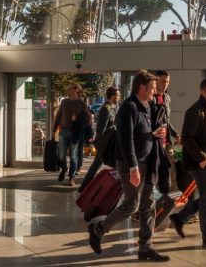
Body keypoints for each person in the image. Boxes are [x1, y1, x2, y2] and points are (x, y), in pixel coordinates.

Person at [87, 70, 170, 262]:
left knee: (148, 206)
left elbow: (143, 133)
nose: (154, 90)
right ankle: (98, 229)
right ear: (141, 87)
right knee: (131, 205)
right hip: (131, 164)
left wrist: (153, 134)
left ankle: (145, 248)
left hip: (148, 162)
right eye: (152, 87)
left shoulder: (147, 106)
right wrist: (133, 167)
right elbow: (126, 140)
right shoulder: (129, 107)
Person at [169, 78, 206, 251]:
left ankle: (180, 218)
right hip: (202, 161)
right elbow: (187, 138)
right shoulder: (195, 111)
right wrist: (202, 158)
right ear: (202, 91)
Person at [151, 70, 189, 192]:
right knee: (154, 173)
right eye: (163, 81)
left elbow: (166, 121)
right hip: (153, 143)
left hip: (166, 142)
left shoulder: (166, 98)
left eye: (167, 81)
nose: (165, 84)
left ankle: (171, 196)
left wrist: (175, 134)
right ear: (156, 81)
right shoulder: (150, 98)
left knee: (172, 168)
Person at [78, 86, 119, 193]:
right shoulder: (105, 109)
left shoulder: (112, 107)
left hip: (107, 142)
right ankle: (85, 187)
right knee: (99, 164)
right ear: (112, 96)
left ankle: (84, 187)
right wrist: (101, 145)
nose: (119, 97)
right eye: (117, 95)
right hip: (104, 143)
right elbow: (101, 130)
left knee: (97, 164)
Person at [52, 83, 92, 187]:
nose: (69, 91)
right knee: (61, 155)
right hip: (63, 131)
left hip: (75, 133)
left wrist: (78, 121)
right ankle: (64, 169)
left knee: (73, 156)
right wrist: (54, 129)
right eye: (68, 89)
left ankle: (71, 178)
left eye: (71, 89)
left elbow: (88, 119)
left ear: (76, 91)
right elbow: (59, 115)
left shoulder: (81, 103)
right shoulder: (64, 102)